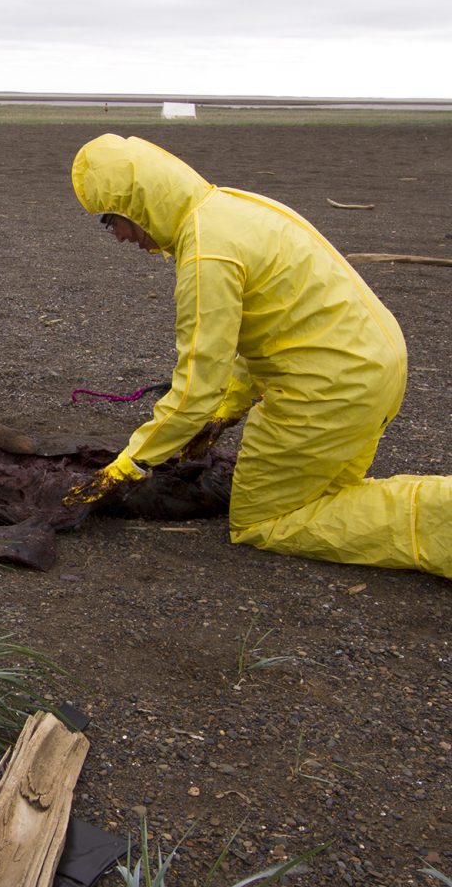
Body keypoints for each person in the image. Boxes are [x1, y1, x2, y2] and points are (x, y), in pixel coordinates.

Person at [63, 133, 450, 579]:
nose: (116, 237)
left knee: (266, 522)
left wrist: (130, 464)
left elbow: (195, 386)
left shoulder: (207, 254)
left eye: (110, 220)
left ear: (138, 204)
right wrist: (229, 409)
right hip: (373, 368)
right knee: (327, 494)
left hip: (329, 392)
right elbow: (267, 329)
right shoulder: (233, 208)